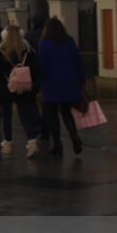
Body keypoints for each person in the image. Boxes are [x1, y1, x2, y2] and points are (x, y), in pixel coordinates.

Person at [0, 25, 42, 158]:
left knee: (7, 116)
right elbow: (35, 69)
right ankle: (32, 141)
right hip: (23, 87)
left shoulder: (0, 51)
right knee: (24, 115)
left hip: (6, 88)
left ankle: (8, 143)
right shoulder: (27, 50)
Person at [38, 17, 85, 155]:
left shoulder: (44, 43)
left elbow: (42, 65)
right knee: (66, 112)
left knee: (52, 114)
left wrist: (40, 81)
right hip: (69, 83)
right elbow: (78, 61)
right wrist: (81, 80)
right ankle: (74, 136)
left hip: (51, 84)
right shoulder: (69, 41)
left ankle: (57, 144)